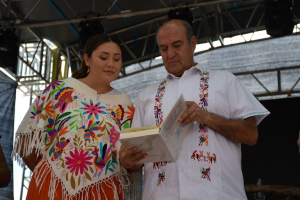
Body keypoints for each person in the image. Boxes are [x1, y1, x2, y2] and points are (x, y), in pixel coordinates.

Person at [124, 19, 270, 200]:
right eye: (163, 48)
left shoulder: (224, 80)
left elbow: (251, 135)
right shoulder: (146, 95)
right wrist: (128, 161)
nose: (170, 54)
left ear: (192, 43)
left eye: (176, 45)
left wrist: (207, 117)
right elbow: (136, 161)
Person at [12, 34, 138, 200]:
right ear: (87, 59)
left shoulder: (126, 107)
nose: (110, 64)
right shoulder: (60, 90)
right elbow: (26, 143)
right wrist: (49, 175)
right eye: (103, 57)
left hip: (102, 193)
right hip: (50, 189)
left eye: (116, 59)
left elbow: (129, 161)